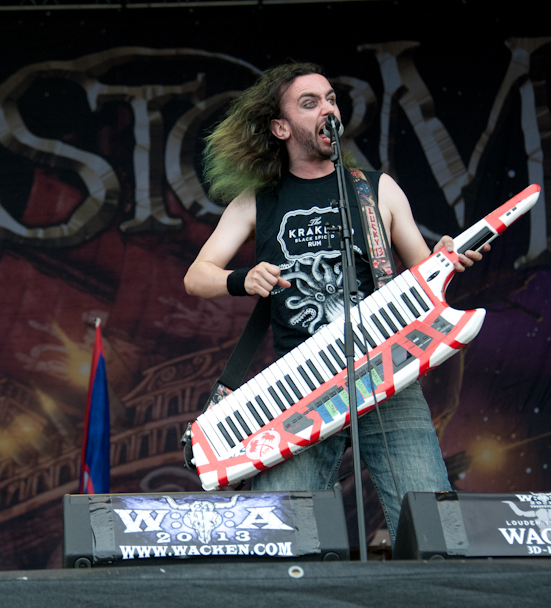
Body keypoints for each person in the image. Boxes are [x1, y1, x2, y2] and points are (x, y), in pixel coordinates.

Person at [183, 62, 488, 544]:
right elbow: (197, 276)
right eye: (310, 103)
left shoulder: (375, 188)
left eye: (330, 99)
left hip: (387, 369)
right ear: (281, 128)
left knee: (433, 528)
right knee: (281, 535)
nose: (327, 109)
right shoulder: (257, 200)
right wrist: (244, 278)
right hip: (302, 386)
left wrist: (447, 255)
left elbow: (423, 272)